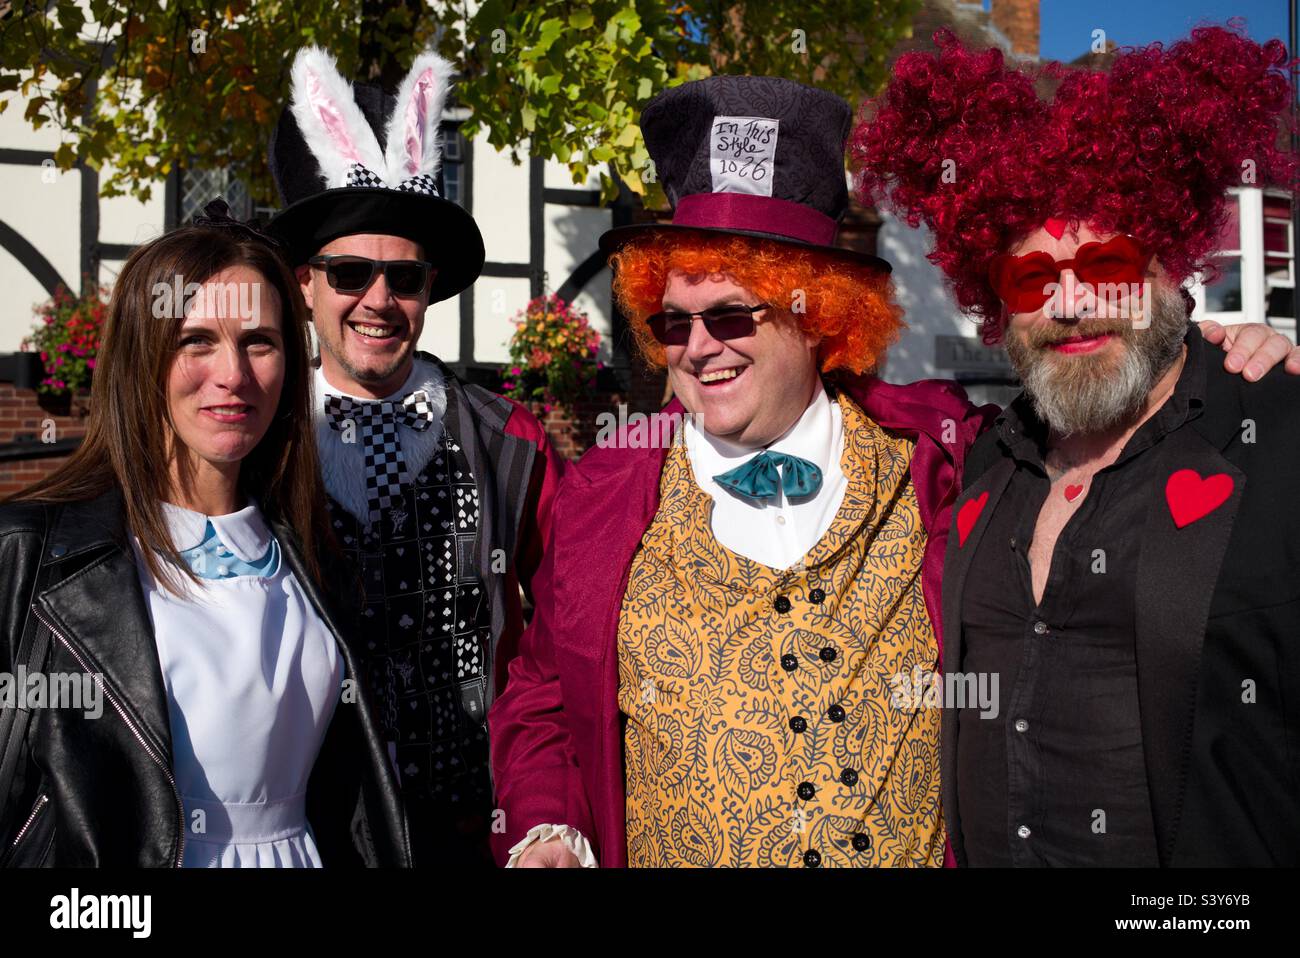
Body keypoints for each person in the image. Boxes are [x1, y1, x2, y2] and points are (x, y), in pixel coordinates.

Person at [490, 66, 1300, 868]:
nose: (699, 349)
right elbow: (543, 693)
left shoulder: (947, 453)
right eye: (673, 324)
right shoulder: (602, 490)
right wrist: (547, 827)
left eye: (733, 314)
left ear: (818, 314)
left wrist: (1226, 357)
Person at [853, 24, 1300, 865]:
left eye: (1107, 269)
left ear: (1170, 263)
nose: (1068, 304)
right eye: (1032, 278)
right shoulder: (985, 462)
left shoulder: (1277, 437)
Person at [0, 208, 409, 867]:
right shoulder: (27, 554)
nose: (233, 374)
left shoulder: (328, 555)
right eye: (196, 340)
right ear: (143, 354)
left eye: (260, 341)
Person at [265, 47, 562, 866]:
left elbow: (562, 638)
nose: (379, 301)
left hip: (476, 835)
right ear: (303, 284)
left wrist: (545, 813)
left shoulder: (511, 443)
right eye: (350, 272)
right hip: (312, 839)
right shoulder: (255, 444)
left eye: (404, 278)